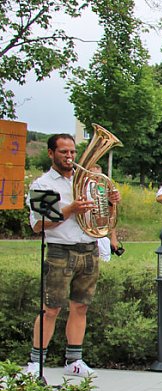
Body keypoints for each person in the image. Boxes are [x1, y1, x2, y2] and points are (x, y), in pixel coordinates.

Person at [24, 134, 121, 378]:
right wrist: (70, 209)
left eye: (71, 152)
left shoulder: (88, 181)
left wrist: (110, 204)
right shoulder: (43, 185)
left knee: (80, 306)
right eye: (63, 152)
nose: (69, 157)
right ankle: (36, 362)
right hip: (60, 250)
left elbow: (101, 221)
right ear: (50, 154)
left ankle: (74, 359)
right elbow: (38, 225)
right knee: (51, 308)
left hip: (88, 248)